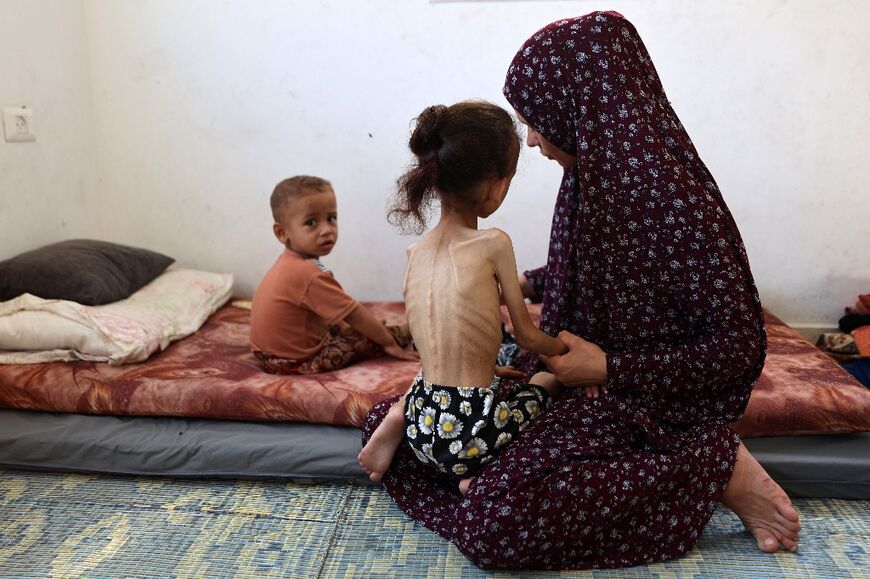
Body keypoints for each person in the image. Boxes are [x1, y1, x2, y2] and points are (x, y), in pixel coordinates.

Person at [363, 11, 800, 570]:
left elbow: (739, 348)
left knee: (498, 526)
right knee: (392, 423)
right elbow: (597, 269)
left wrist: (607, 367)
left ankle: (710, 461)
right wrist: (520, 283)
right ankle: (487, 477)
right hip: (568, 372)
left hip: (636, 400)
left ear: (586, 103)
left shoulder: (674, 202)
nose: (533, 139)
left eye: (538, 120)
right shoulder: (591, 174)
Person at [358, 101, 567, 492]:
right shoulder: (493, 243)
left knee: (478, 366)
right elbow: (526, 336)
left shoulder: (415, 252)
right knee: (545, 379)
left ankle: (400, 416)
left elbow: (432, 341)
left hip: (424, 419)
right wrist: (563, 349)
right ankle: (479, 478)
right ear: (496, 186)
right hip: (472, 430)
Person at [250, 175, 418, 374]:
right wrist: (388, 343)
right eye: (311, 222)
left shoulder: (289, 263)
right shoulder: (308, 274)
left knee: (342, 324)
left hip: (265, 353)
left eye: (331, 218)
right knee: (367, 337)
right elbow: (354, 313)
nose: (326, 230)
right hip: (293, 362)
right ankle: (405, 332)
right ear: (281, 233)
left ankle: (381, 332)